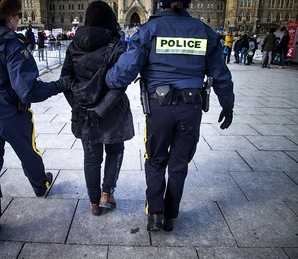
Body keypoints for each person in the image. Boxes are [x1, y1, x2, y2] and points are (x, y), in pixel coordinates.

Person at [106, 0, 234, 231]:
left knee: (155, 160)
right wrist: (228, 105)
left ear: (161, 3)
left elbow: (124, 72)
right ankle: (170, 216)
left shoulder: (149, 31)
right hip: (190, 108)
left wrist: (107, 79)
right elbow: (221, 74)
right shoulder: (204, 32)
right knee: (179, 164)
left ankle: (155, 213)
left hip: (159, 108)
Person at [0, 0, 71, 243]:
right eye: (19, 15)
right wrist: (58, 85)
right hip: (9, 114)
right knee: (28, 153)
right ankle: (41, 185)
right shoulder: (12, 46)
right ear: (10, 17)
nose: (20, 19)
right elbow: (28, 91)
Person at [61, 1, 134, 216]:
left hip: (85, 111)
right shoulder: (117, 46)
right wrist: (101, 109)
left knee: (91, 156)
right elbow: (119, 85)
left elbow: (65, 80)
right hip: (113, 110)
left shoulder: (73, 45)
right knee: (115, 150)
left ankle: (93, 203)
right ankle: (106, 194)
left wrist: (78, 106)